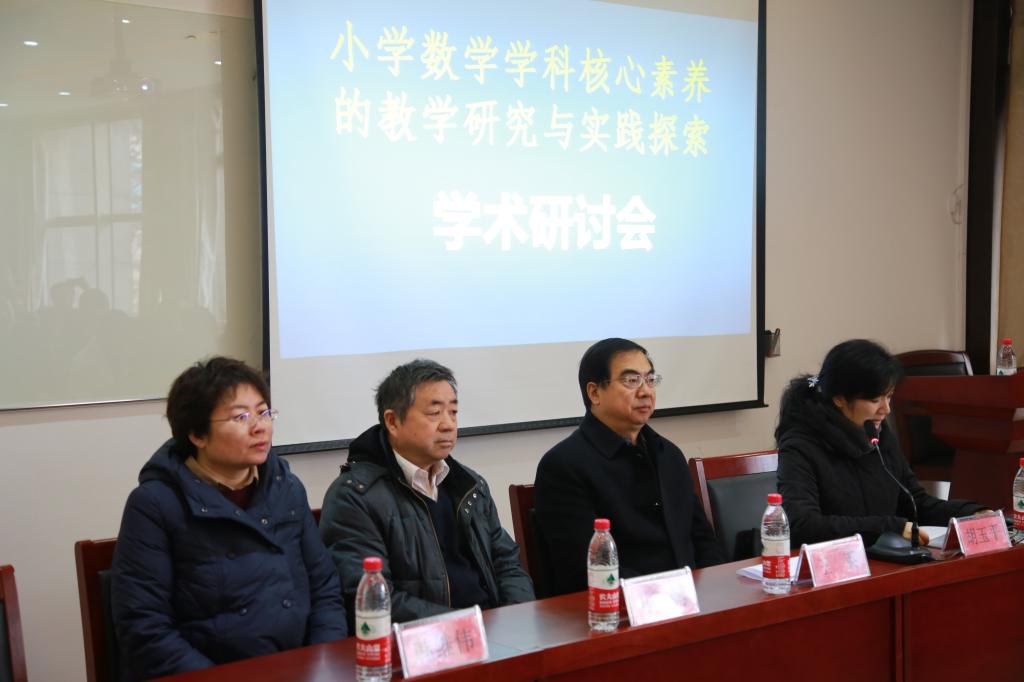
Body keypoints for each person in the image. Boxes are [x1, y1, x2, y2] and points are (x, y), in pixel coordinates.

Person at [111, 357, 347, 681]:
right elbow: (145, 628)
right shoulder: (155, 504)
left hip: (299, 670)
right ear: (197, 434)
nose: (259, 426)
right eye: (241, 417)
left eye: (264, 412)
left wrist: (322, 664)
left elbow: (325, 589)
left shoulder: (286, 488)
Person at [319, 359, 534, 624]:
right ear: (392, 421)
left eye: (453, 412)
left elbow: (507, 563)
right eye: (434, 413)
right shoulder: (355, 497)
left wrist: (516, 617)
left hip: (492, 631)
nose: (448, 424)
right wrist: (468, 627)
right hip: (424, 640)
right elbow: (374, 599)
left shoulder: (470, 485)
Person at [534, 338, 724, 597]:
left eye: (650, 380)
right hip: (620, 608)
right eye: (631, 381)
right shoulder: (563, 466)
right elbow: (586, 569)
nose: (645, 391)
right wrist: (663, 596)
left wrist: (716, 590)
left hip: (689, 600)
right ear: (595, 393)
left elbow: (703, 539)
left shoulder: (668, 454)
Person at [776, 339, 985, 547]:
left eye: (889, 396)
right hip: (833, 563)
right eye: (875, 400)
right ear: (839, 399)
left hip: (885, 557)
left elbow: (916, 502)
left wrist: (970, 514)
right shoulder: (800, 445)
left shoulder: (878, 433)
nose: (886, 409)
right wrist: (888, 528)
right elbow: (803, 525)